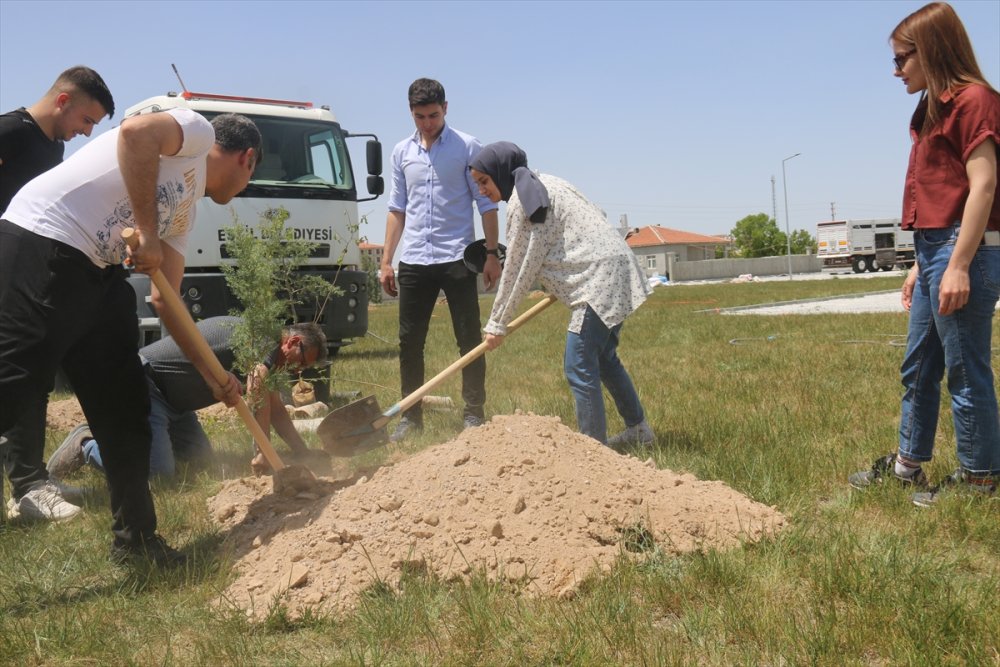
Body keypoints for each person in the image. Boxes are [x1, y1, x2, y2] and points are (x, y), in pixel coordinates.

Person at [0, 107, 260, 565]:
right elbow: (137, 133)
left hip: (95, 273)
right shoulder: (196, 132)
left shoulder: (185, 213)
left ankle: (136, 544)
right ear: (248, 160)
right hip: (41, 240)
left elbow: (168, 303)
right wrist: (146, 230)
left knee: (126, 410)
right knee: (12, 389)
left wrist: (215, 377)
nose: (243, 192)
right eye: (249, 181)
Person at [849, 2, 999, 505]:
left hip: (965, 253)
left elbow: (982, 187)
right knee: (919, 366)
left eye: (901, 59)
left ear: (930, 51)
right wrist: (920, 263)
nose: (896, 71)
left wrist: (956, 265)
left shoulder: (976, 100)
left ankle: (979, 479)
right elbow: (942, 193)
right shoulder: (930, 107)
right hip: (935, 250)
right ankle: (907, 465)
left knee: (964, 367)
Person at [470, 142, 654, 449]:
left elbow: (518, 268)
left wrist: (496, 324)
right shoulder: (551, 182)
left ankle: (592, 451)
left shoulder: (522, 203)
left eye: (484, 181)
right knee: (604, 358)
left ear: (499, 173)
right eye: (477, 184)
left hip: (597, 281)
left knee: (578, 363)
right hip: (618, 266)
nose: (482, 190)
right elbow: (598, 214)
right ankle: (638, 431)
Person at [0, 66, 115, 524]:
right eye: (86, 120)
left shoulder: (51, 147)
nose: (86, 132)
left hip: (25, 275)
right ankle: (27, 485)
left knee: (34, 372)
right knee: (20, 374)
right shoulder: (10, 132)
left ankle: (29, 484)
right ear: (64, 101)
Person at [42, 317, 328, 487]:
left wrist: (303, 453)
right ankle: (88, 446)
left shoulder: (270, 353)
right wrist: (264, 452)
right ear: (291, 342)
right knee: (159, 476)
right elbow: (256, 385)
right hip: (148, 385)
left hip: (178, 406)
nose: (298, 370)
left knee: (199, 463)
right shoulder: (263, 335)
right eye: (301, 361)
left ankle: (148, 443)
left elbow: (275, 409)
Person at [379, 78, 501, 440]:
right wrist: (387, 260)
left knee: (469, 338)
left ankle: (473, 414)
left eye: (433, 115)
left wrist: (491, 254)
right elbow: (396, 208)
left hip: (457, 258)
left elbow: (487, 204)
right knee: (409, 341)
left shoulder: (467, 147)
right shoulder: (402, 152)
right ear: (411, 113)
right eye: (420, 117)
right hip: (415, 259)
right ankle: (410, 417)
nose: (428, 123)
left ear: (445, 108)